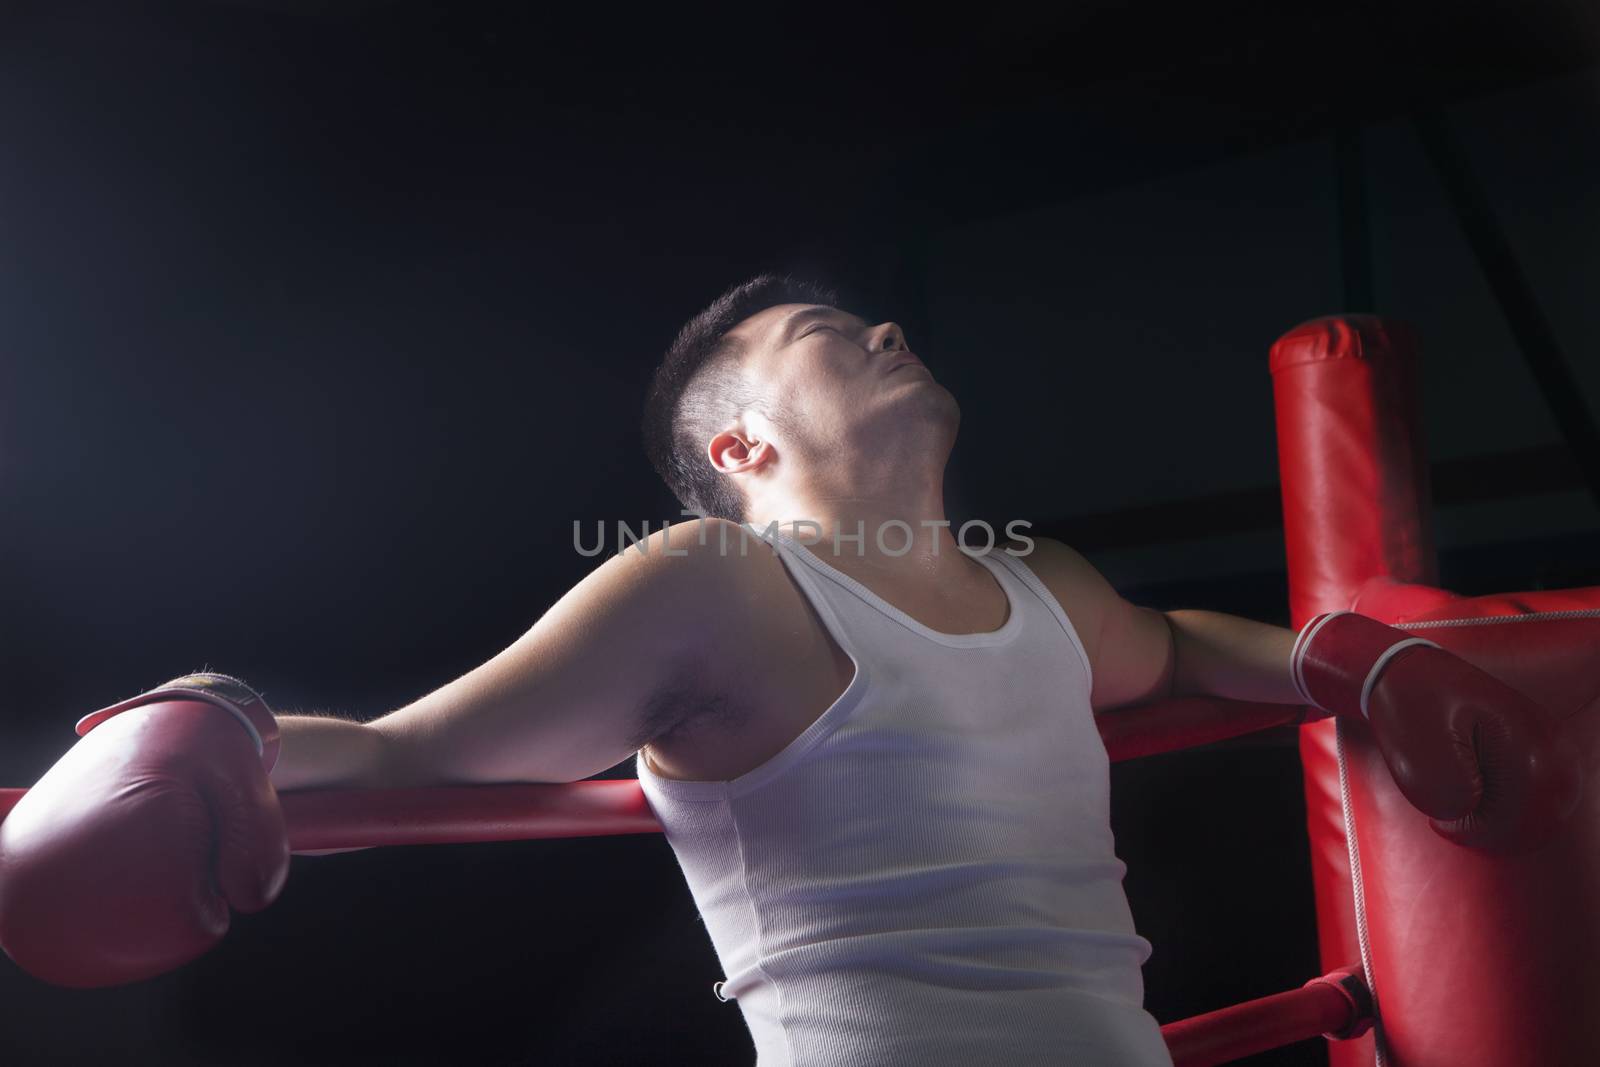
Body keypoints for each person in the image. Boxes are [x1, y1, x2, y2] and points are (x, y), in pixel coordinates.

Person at [0, 274, 1576, 1066]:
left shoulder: (1047, 590)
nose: (887, 323)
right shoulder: (721, 584)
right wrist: (207, 723)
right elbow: (423, 753)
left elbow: (1175, 650)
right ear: (742, 444)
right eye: (832, 327)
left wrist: (1349, 663)